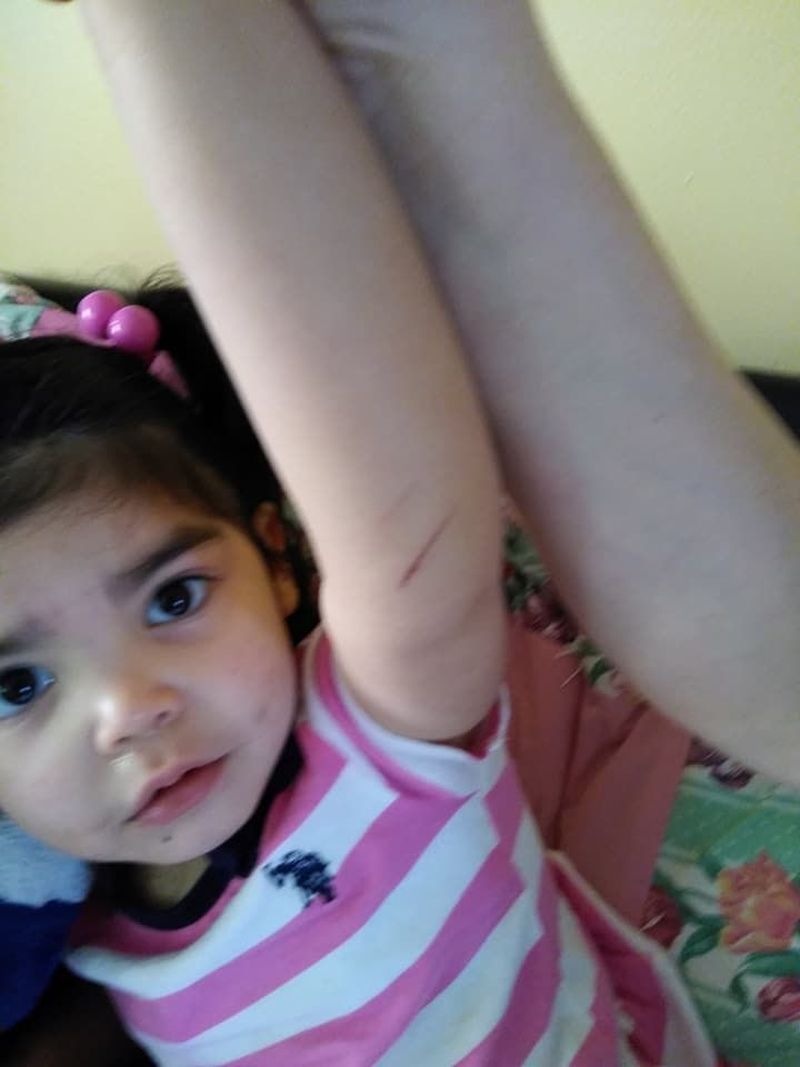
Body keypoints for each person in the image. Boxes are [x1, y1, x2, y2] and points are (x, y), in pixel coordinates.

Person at [0, 1, 719, 1064]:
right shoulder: (86, 936)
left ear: (276, 558)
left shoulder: (384, 746)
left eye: (174, 598)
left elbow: (409, 534)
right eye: (17, 684)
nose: (128, 709)